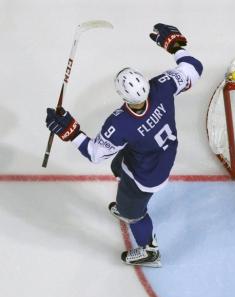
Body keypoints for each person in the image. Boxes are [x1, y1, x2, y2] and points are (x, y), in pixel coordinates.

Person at [45, 23, 203, 267]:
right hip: (163, 152)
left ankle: (150, 251)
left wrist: (71, 132)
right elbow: (194, 68)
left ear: (123, 96)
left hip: (147, 176)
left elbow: (95, 155)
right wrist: (176, 46)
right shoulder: (162, 86)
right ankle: (127, 203)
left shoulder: (119, 125)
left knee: (133, 213)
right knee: (119, 164)